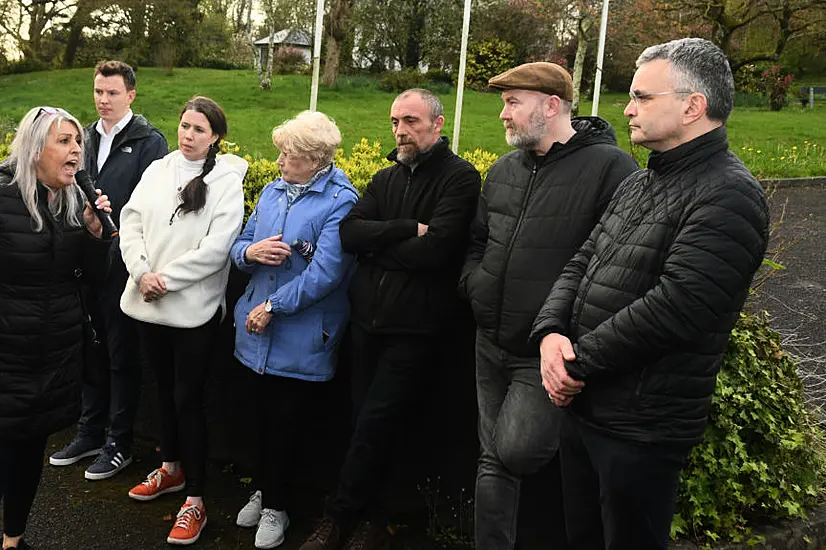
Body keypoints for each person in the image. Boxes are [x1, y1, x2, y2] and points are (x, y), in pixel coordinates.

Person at [531, 38, 769, 550]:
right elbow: (583, 260)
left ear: (693, 106)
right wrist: (550, 333)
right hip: (585, 407)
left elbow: (680, 305)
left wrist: (575, 364)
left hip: (639, 427)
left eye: (642, 96)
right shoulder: (640, 182)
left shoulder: (730, 194)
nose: (627, 107)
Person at [460, 63, 637, 549]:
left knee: (512, 452)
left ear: (552, 105)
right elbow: (476, 243)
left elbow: (617, 266)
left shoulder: (611, 168)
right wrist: (475, 287)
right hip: (488, 341)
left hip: (545, 355)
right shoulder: (503, 168)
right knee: (492, 457)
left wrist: (564, 331)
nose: (503, 115)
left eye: (513, 102)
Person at [299, 89, 481, 550]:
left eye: (411, 121)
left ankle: (338, 517)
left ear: (438, 125)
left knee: (377, 421)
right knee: (365, 421)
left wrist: (381, 248)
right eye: (395, 121)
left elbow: (436, 250)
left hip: (414, 328)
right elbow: (350, 233)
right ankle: (374, 518)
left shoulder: (459, 179)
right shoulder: (385, 177)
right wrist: (402, 231)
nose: (400, 130)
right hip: (367, 324)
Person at [0, 106, 112, 550]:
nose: (75, 151)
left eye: (77, 143)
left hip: (52, 358)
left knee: (30, 457)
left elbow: (85, 279)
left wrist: (93, 235)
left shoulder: (72, 202)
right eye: (64, 141)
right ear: (35, 149)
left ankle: (14, 542)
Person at [119, 96, 247, 546]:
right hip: (147, 301)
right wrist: (141, 273)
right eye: (185, 125)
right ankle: (170, 469)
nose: (188, 135)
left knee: (188, 398)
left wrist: (165, 280)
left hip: (193, 312)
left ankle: (196, 499)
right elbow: (130, 221)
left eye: (199, 129)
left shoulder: (228, 182)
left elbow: (216, 250)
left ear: (215, 137)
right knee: (161, 391)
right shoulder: (158, 169)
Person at [230, 111, 358, 549]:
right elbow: (239, 245)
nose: (280, 160)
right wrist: (252, 252)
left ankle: (278, 508)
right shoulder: (271, 191)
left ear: (315, 158)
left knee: (288, 422)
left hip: (300, 333)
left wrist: (273, 305)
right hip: (256, 329)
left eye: (289, 154)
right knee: (260, 419)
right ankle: (266, 491)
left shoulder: (341, 200)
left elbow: (326, 273)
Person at [49, 59, 168, 480]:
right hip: (85, 260)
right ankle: (90, 432)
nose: (103, 100)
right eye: (99, 92)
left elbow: (154, 205)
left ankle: (120, 442)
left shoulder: (150, 141)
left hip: (124, 265)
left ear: (131, 95)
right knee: (89, 349)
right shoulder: (80, 137)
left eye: (113, 93)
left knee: (121, 354)